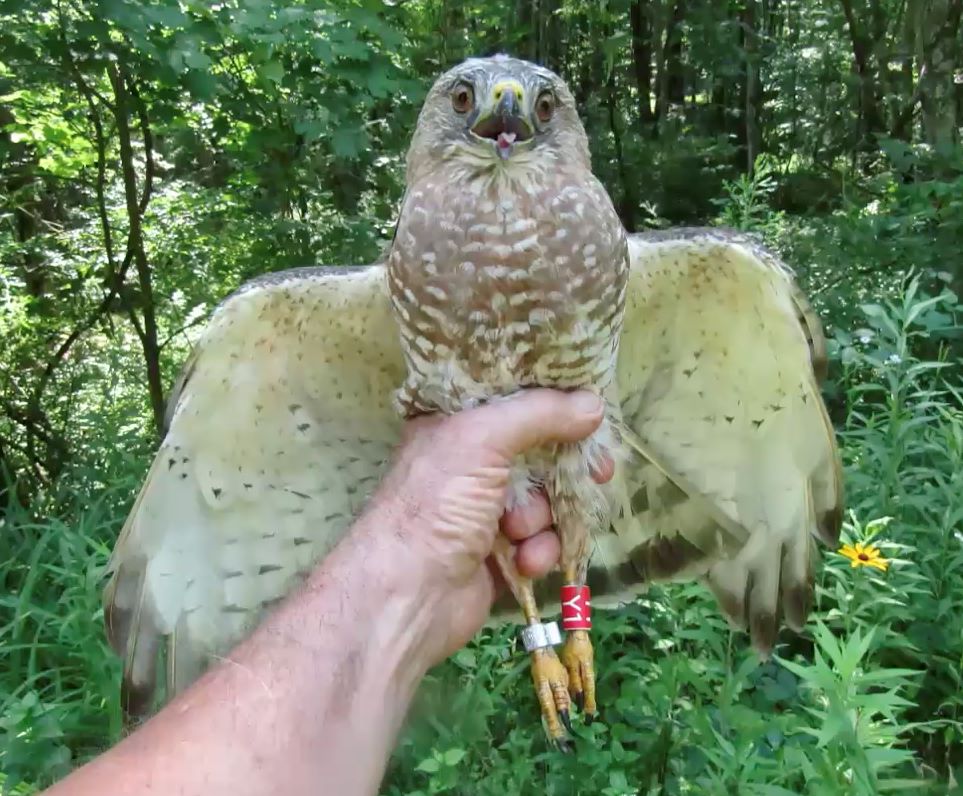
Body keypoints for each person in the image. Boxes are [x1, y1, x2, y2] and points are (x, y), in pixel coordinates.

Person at [46, 389, 608, 796]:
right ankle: (545, 641)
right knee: (524, 518)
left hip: (572, 469)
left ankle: (574, 631)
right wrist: (405, 554)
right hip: (480, 520)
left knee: (567, 492)